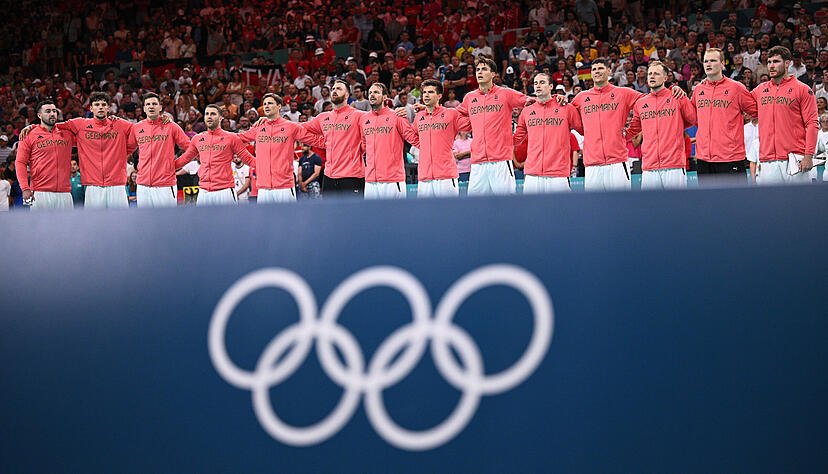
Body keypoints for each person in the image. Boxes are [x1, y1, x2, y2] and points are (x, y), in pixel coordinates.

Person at [571, 59, 685, 191]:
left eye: (601, 68)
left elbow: (652, 100)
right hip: (591, 164)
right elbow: (569, 114)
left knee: (621, 208)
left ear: (609, 71)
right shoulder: (581, 97)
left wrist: (671, 89)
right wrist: (586, 131)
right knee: (594, 209)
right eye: (594, 69)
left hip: (617, 162)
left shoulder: (623, 93)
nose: (597, 72)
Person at [20, 92, 136, 208]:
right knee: (94, 224)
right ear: (90, 108)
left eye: (103, 104)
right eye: (96, 104)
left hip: (117, 185)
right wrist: (34, 127)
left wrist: (123, 150)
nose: (100, 107)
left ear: (108, 108)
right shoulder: (80, 124)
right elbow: (55, 125)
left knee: (120, 223)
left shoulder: (120, 124)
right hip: (92, 186)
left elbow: (138, 132)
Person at [455, 57, 535, 195]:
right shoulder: (469, 97)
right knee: (475, 207)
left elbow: (531, 101)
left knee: (506, 205)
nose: (479, 72)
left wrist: (556, 99)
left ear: (493, 74)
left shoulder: (505, 93)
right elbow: (455, 117)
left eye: (484, 69)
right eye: (478, 69)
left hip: (501, 160)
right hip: (478, 162)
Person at [237, 94, 323, 203]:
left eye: (270, 103)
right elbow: (239, 138)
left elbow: (314, 140)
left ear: (279, 106)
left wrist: (336, 142)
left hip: (284, 186)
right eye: (264, 104)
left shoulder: (290, 127)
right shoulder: (259, 127)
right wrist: (214, 136)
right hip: (263, 188)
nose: (266, 106)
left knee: (287, 220)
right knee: (264, 220)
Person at [751, 46, 818, 185]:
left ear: (787, 63)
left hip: (795, 158)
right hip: (768, 159)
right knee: (770, 206)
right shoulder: (759, 90)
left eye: (776, 61)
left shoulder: (802, 89)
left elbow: (812, 123)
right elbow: (738, 102)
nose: (771, 66)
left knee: (798, 205)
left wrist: (808, 155)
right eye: (769, 62)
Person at [692, 48, 758, 186]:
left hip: (730, 158)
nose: (708, 64)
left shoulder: (736, 88)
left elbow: (757, 111)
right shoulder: (699, 89)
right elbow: (692, 117)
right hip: (704, 160)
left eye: (713, 60)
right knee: (708, 205)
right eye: (705, 61)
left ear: (722, 63)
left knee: (735, 205)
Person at [627, 61, 698, 190]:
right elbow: (633, 129)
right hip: (649, 166)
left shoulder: (677, 97)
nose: (652, 76)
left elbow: (694, 119)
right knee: (650, 209)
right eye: (650, 74)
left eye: (656, 74)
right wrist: (617, 135)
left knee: (676, 208)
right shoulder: (641, 103)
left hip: (674, 165)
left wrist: (678, 125)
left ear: (665, 78)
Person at [173, 105, 256, 205]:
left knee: (228, 221)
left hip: (224, 191)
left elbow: (248, 159)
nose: (209, 116)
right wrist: (167, 168)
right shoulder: (197, 139)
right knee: (203, 221)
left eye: (213, 114)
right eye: (207, 114)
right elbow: (185, 159)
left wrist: (270, 166)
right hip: (204, 191)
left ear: (220, 118)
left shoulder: (231, 138)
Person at [513, 73, 582, 193]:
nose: (538, 86)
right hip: (532, 174)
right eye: (535, 83)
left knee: (562, 212)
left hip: (558, 174)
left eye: (542, 82)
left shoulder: (566, 108)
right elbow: (515, 139)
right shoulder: (527, 111)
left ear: (551, 86)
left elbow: (584, 130)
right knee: (531, 211)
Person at [302, 80, 367, 197]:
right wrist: (275, 123)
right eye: (333, 89)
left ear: (347, 95)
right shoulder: (323, 117)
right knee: (330, 215)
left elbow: (379, 120)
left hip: (352, 176)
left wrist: (397, 112)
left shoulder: (359, 115)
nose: (334, 91)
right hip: (329, 177)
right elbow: (300, 128)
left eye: (339, 89)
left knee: (354, 214)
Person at [127, 93, 191, 207]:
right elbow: (127, 150)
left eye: (154, 104)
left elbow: (191, 148)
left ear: (160, 107)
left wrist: (175, 165)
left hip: (165, 185)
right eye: (148, 104)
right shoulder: (137, 128)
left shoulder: (171, 126)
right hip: (143, 186)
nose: (151, 106)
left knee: (167, 222)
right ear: (144, 108)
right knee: (145, 222)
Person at [360, 83, 420, 199]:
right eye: (370, 92)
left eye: (376, 92)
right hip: (370, 180)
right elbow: (363, 146)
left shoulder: (397, 116)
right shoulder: (364, 119)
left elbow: (414, 139)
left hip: (392, 180)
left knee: (396, 217)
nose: (372, 95)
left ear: (385, 97)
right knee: (371, 217)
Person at [413, 79, 471, 197]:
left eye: (430, 92)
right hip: (424, 177)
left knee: (450, 214)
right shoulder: (419, 117)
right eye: (424, 92)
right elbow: (411, 135)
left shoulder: (451, 114)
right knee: (424, 214)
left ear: (439, 95)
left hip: (446, 176)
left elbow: (471, 124)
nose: (426, 95)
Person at [14, 100, 75, 210]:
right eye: (48, 111)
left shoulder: (67, 134)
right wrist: (25, 188)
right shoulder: (29, 135)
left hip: (65, 193)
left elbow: (86, 136)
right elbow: (20, 162)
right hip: (41, 193)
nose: (52, 114)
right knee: (41, 227)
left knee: (67, 227)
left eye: (54, 111)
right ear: (39, 115)